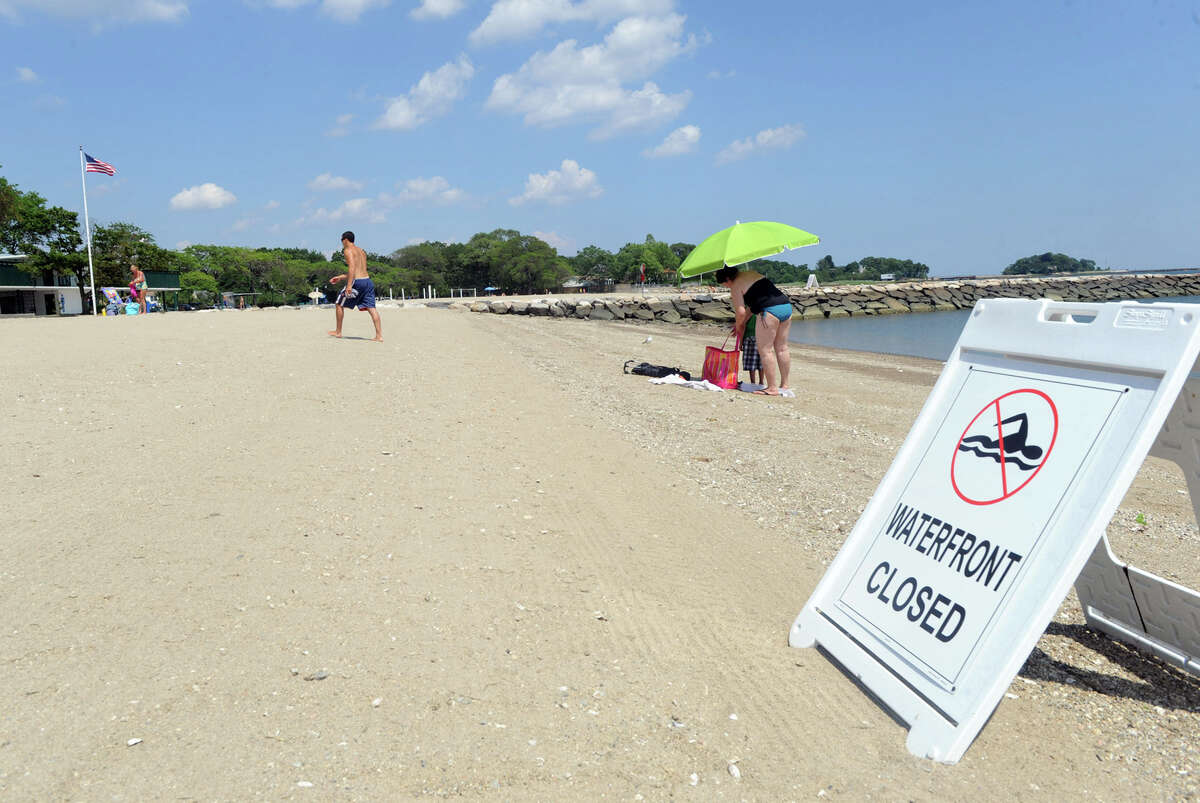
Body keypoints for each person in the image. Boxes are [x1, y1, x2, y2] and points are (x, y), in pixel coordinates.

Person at [715, 265, 793, 396]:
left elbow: (740, 312)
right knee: (782, 348)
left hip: (769, 311)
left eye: (724, 284)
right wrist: (741, 324)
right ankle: (784, 385)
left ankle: (772, 388)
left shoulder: (735, 285)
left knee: (765, 351)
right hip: (785, 306)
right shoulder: (751, 273)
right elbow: (751, 307)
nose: (726, 287)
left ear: (728, 279)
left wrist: (739, 326)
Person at [328, 230, 383, 342]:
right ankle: (379, 336)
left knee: (339, 303)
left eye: (341, 240)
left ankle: (338, 332)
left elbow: (352, 268)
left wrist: (349, 286)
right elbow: (359, 270)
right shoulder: (361, 251)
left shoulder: (348, 250)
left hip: (356, 282)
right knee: (372, 308)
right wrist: (340, 277)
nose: (341, 242)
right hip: (367, 281)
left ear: (345, 240)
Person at [741, 309, 762, 385]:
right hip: (762, 337)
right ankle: (761, 382)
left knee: (751, 362)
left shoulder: (748, 309)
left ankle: (753, 383)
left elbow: (743, 326)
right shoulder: (763, 308)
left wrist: (740, 343)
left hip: (750, 337)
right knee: (761, 362)